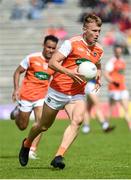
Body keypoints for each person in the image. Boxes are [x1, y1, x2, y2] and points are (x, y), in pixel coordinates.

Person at [18, 13, 103, 169]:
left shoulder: (99, 49)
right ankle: (27, 143)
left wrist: (98, 74)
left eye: (99, 31)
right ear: (85, 29)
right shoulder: (71, 43)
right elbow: (52, 63)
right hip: (57, 91)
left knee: (78, 120)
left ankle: (59, 156)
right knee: (43, 126)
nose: (97, 34)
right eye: (94, 30)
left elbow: (97, 63)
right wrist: (70, 73)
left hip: (77, 94)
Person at [10, 35, 59, 159]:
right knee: (22, 126)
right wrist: (16, 89)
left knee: (40, 124)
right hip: (26, 96)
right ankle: (17, 113)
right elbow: (17, 72)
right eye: (48, 47)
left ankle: (31, 149)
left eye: (53, 48)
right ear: (43, 45)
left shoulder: (55, 63)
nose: (51, 50)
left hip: (42, 97)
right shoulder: (32, 58)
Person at [104, 46, 131, 130]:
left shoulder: (122, 61)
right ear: (115, 52)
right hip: (114, 89)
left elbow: (121, 74)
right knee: (111, 108)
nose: (119, 53)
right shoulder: (111, 62)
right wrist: (112, 81)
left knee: (126, 108)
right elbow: (106, 74)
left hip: (122, 88)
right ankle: (105, 125)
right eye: (117, 51)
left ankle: (130, 127)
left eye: (120, 51)